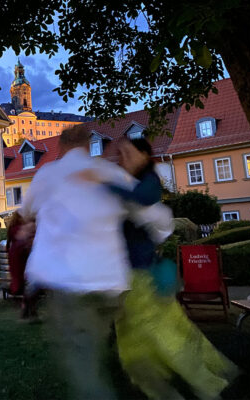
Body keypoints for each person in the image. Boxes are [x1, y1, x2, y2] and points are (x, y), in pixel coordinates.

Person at [18, 125, 149, 399]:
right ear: (90, 145)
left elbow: (26, 210)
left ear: (60, 148)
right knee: (98, 345)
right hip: (112, 282)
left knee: (84, 365)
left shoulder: (49, 174)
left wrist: (37, 221)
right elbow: (148, 211)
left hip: (74, 284)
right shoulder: (109, 173)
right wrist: (136, 170)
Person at [102, 139, 238, 399]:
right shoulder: (129, 182)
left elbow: (143, 199)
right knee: (140, 339)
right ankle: (160, 382)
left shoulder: (146, 182)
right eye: (120, 155)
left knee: (165, 336)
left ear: (144, 155)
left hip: (141, 276)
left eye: (127, 153)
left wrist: (104, 185)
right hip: (128, 275)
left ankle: (210, 385)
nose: (122, 159)